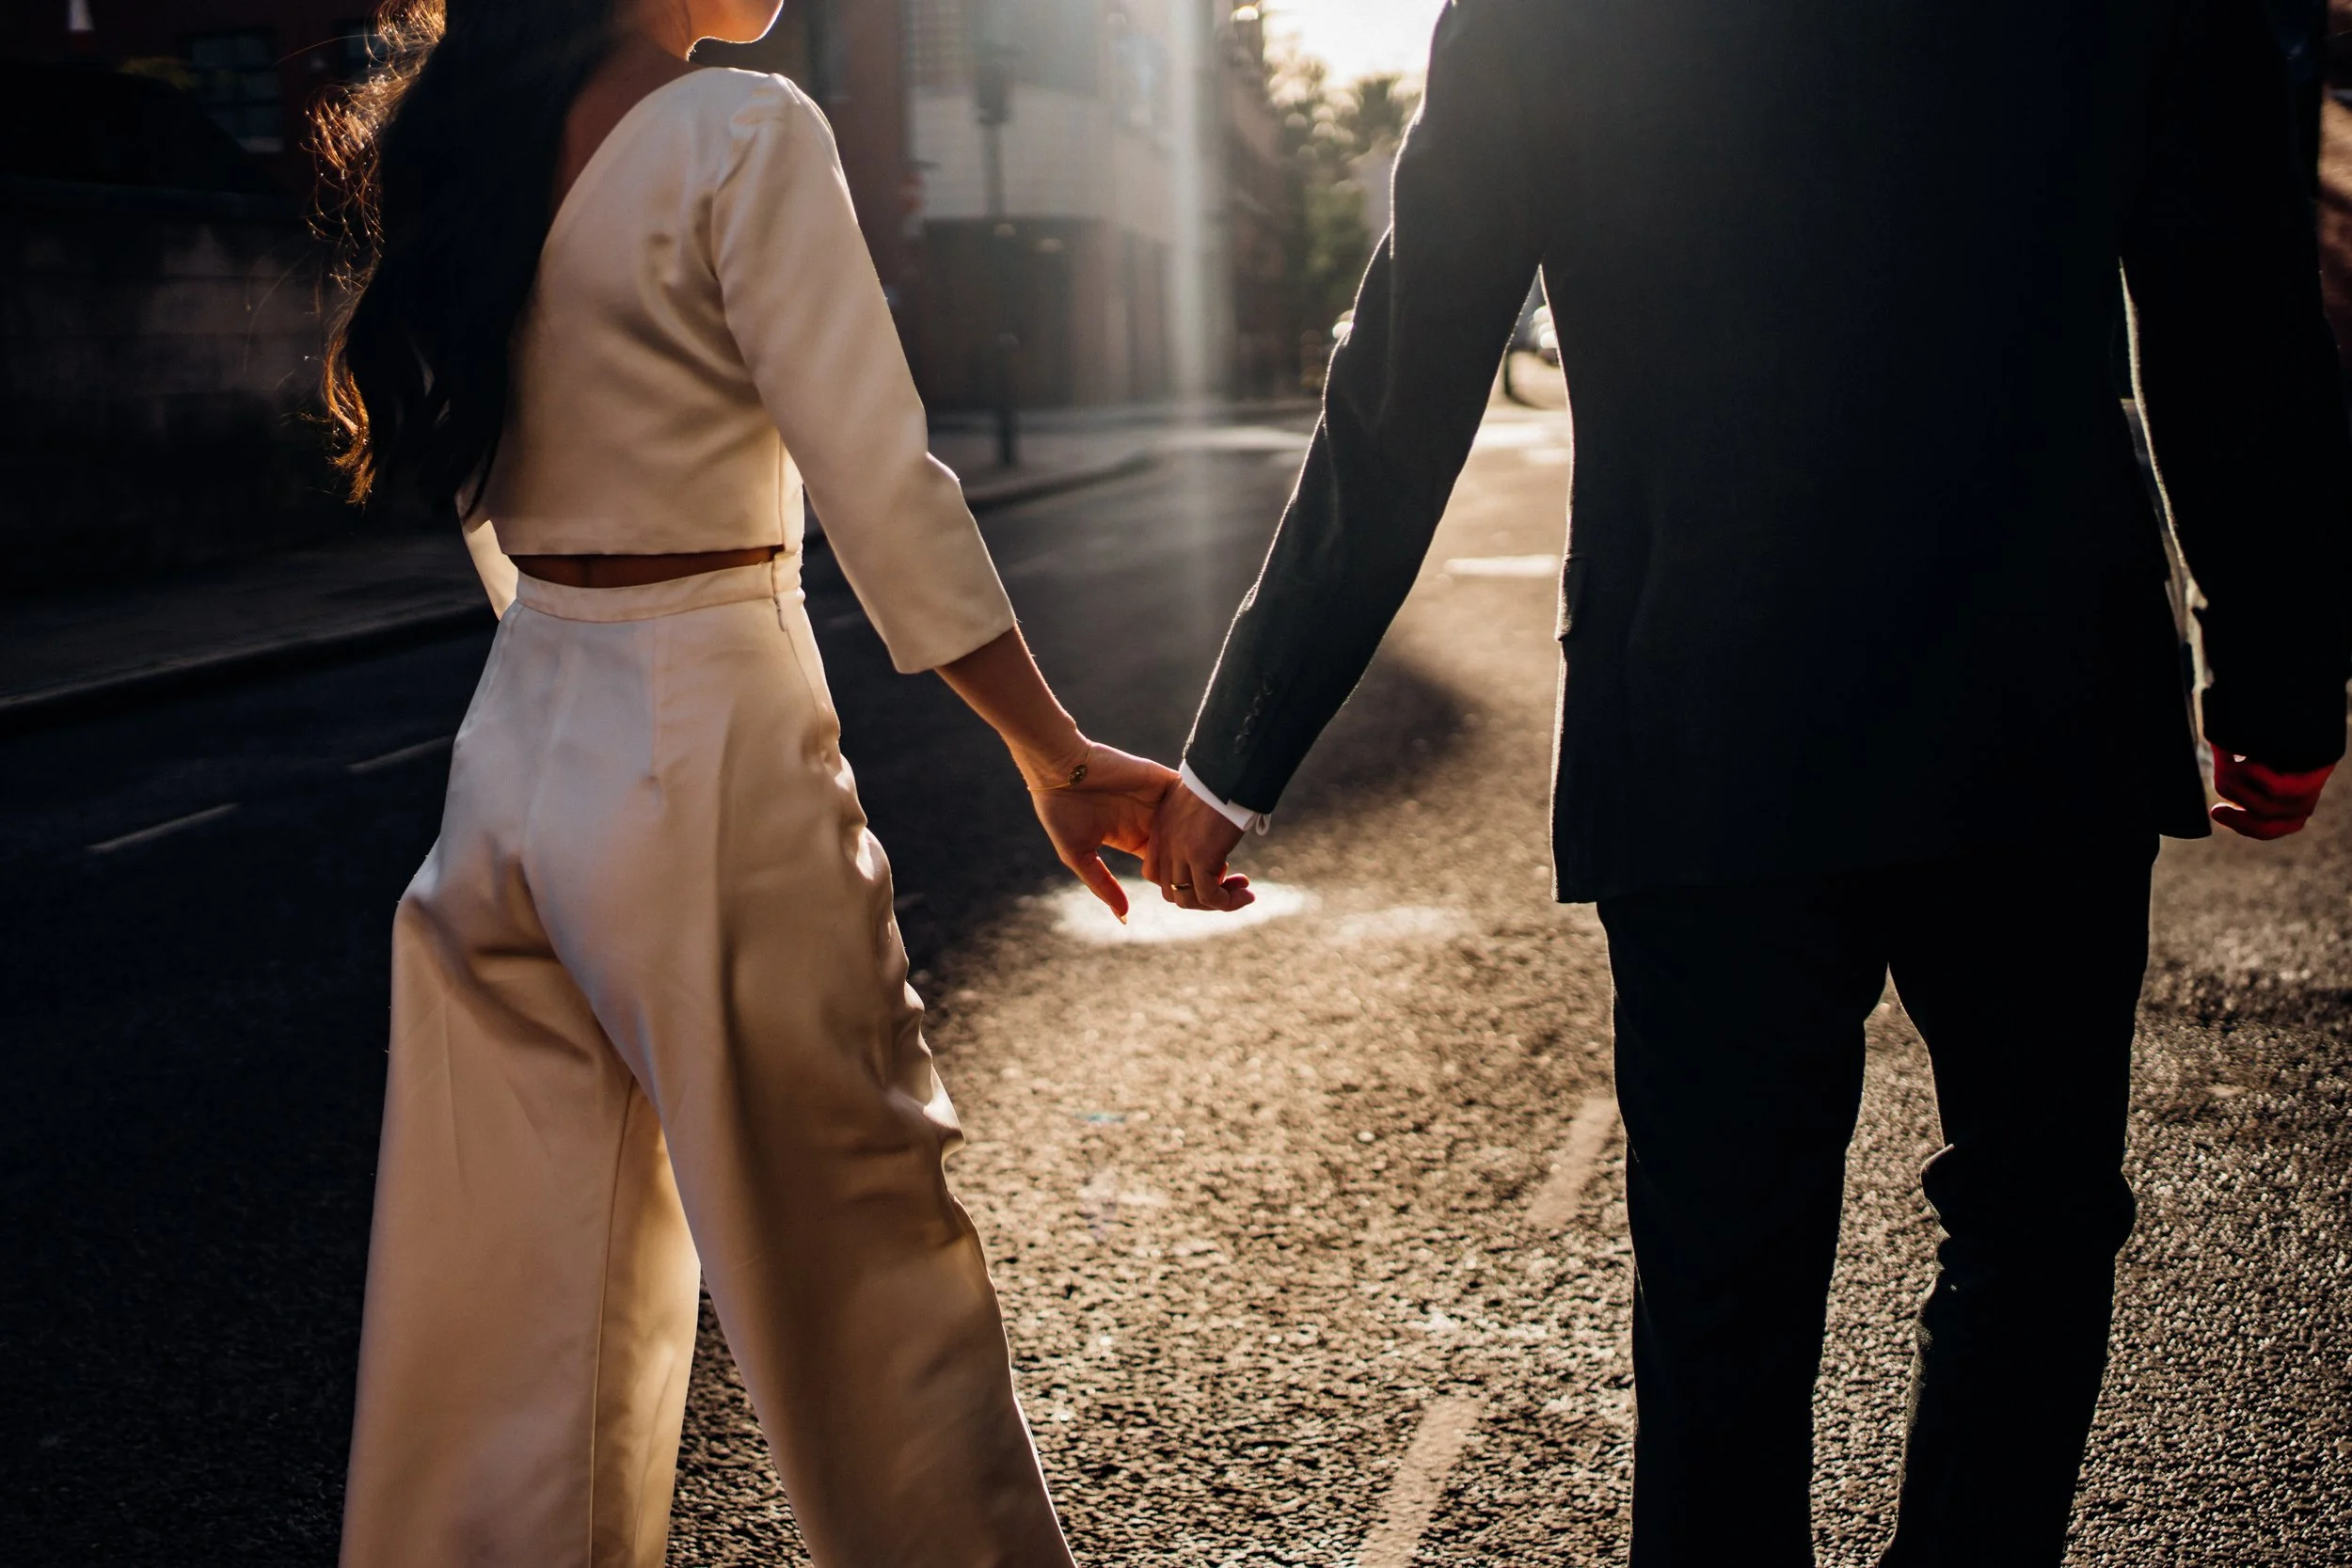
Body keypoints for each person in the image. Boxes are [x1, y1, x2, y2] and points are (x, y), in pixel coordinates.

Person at [1150, 0, 2351, 1563]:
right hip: (2033, 687)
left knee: (1724, 1283)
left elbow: (1409, 367)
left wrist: (1237, 753)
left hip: (1701, 697)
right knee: (2033, 1226)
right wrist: (2277, 678)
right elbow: (2233, 313)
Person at [317, 1, 1168, 1562]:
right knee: (867, 1276)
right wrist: (1055, 749)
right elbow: (880, 483)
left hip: (509, 753)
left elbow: (483, 497)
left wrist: (571, 669)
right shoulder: (741, 130)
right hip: (699, 734)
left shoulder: (468, 143)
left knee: (508, 1343)